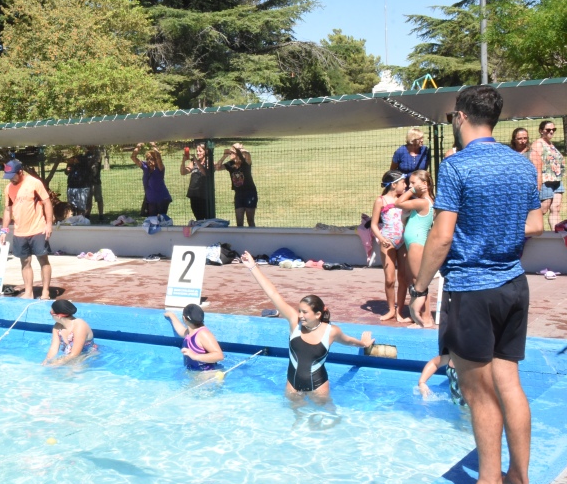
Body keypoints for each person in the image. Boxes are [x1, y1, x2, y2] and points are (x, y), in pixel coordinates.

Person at [409, 84, 543, 484]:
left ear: (461, 117)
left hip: (472, 289)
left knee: (479, 392)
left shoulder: (457, 167)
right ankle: (519, 481)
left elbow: (442, 235)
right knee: (510, 384)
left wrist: (419, 287)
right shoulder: (521, 165)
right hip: (513, 287)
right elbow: (536, 224)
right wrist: (496, 234)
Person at [241, 251, 374, 402]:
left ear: (317, 314)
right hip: (293, 385)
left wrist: (364, 343)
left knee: (324, 421)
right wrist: (252, 267)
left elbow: (348, 341)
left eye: (305, 312)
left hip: (318, 387)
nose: (300, 315)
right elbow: (273, 294)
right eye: (299, 311)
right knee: (295, 423)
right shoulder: (294, 322)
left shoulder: (330, 331)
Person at [0, 159, 55, 300]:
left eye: (13, 175)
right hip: (20, 232)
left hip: (38, 229)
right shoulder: (8, 188)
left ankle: (45, 292)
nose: (11, 179)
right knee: (25, 262)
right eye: (8, 176)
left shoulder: (34, 183)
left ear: (20, 172)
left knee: (43, 260)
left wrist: (49, 224)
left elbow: (47, 202)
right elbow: (7, 210)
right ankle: (29, 292)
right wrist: (4, 230)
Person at [394, 169, 435, 328]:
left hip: (417, 243)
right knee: (417, 280)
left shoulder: (423, 202)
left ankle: (425, 319)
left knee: (419, 281)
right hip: (415, 242)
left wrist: (411, 191)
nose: (409, 186)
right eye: (409, 183)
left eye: (413, 183)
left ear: (424, 184)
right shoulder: (424, 201)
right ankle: (425, 317)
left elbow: (397, 203)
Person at [371, 170, 409, 323]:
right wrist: (381, 238)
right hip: (388, 241)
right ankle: (391, 310)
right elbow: (373, 224)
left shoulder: (404, 199)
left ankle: (400, 311)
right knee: (390, 279)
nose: (406, 185)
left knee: (403, 278)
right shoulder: (381, 200)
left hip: (404, 241)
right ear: (394, 185)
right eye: (403, 183)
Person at [164, 304, 223, 371]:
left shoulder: (203, 334)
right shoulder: (190, 332)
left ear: (184, 318)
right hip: (195, 373)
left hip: (207, 374)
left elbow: (219, 356)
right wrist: (172, 316)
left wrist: (195, 356)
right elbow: (181, 331)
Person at [530, 119, 565, 230]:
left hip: (557, 180)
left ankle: (558, 234)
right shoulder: (538, 144)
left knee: (556, 208)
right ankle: (533, 228)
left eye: (553, 129)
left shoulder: (550, 144)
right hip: (545, 181)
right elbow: (534, 164)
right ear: (541, 131)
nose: (551, 132)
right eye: (548, 130)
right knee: (543, 209)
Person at [43, 299, 97, 365]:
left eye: (51, 313)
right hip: (70, 356)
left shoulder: (79, 325)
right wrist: (46, 361)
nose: (51, 315)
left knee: (75, 370)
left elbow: (75, 353)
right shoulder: (57, 327)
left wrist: (58, 362)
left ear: (59, 316)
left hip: (87, 356)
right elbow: (53, 348)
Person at [216, 143, 257, 227]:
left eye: (233, 151)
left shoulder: (245, 162)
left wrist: (239, 150)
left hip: (249, 193)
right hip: (238, 194)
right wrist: (224, 156)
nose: (231, 153)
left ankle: (253, 238)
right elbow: (218, 167)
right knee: (239, 222)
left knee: (250, 220)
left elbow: (248, 154)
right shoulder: (230, 164)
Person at [130, 143, 171, 216]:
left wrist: (154, 146)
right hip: (150, 200)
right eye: (147, 159)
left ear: (155, 160)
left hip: (162, 199)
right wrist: (138, 148)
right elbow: (133, 157)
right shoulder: (145, 167)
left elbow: (158, 157)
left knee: (161, 220)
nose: (149, 161)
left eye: (151, 159)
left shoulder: (160, 169)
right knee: (152, 220)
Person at [180, 143, 210, 222]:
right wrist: (183, 161)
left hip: (204, 195)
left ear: (205, 151)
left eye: (200, 151)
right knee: (198, 218)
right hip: (194, 194)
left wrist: (195, 160)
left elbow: (205, 172)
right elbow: (183, 172)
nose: (197, 153)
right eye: (197, 151)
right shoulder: (193, 162)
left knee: (206, 218)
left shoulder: (208, 162)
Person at [64, 152, 92, 217]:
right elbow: (66, 172)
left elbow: (88, 170)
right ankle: (73, 221)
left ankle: (80, 222)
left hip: (82, 187)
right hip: (71, 187)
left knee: (81, 208)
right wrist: (68, 169)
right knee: (71, 207)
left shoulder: (85, 159)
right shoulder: (71, 161)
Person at [85, 147, 105, 222]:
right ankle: (87, 214)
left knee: (99, 199)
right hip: (88, 182)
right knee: (88, 200)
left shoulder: (97, 155)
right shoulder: (86, 155)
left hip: (96, 181)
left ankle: (101, 215)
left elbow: (99, 156)